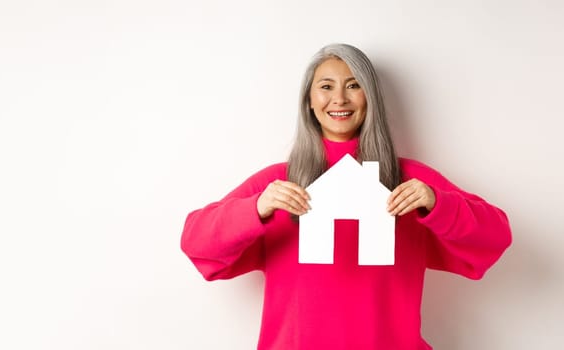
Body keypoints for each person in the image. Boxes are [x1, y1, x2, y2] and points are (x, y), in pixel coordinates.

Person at [180, 43, 512, 350]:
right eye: (326, 86)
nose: (339, 98)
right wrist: (255, 209)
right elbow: (195, 240)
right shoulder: (279, 183)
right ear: (309, 101)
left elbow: (496, 235)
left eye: (353, 85)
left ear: (370, 98)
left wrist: (439, 204)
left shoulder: (408, 181)